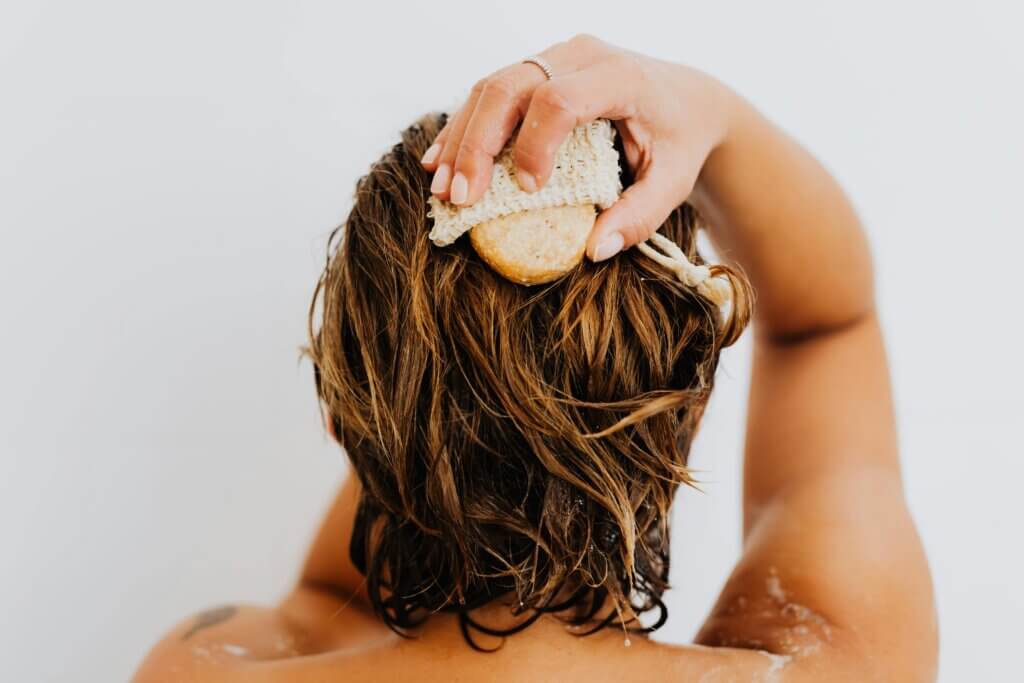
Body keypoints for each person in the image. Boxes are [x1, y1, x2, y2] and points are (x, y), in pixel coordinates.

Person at [134, 35, 937, 682]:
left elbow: (331, 592)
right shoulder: (841, 664)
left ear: (346, 418)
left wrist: (430, 374)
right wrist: (711, 112)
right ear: (681, 407)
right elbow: (825, 319)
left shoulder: (202, 671)